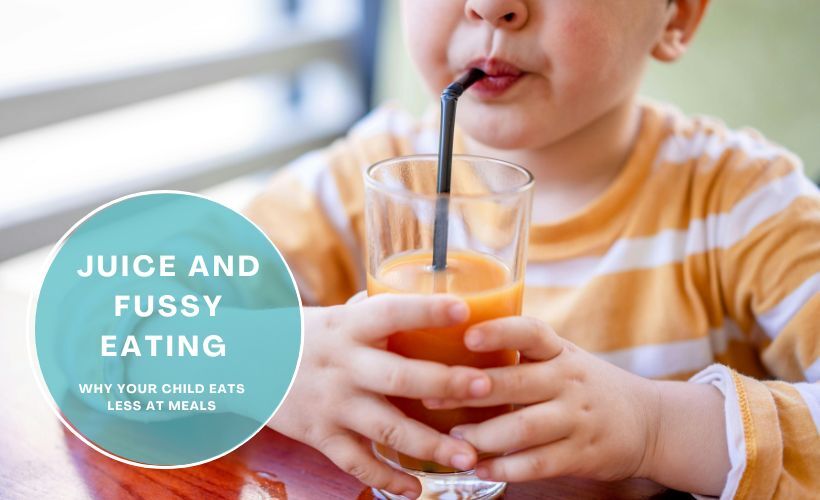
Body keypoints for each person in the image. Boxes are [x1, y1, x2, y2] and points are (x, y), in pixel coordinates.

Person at [247, 1, 820, 498]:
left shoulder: (748, 207)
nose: (491, 5)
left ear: (678, 17)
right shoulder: (364, 181)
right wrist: (273, 360)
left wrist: (656, 428)